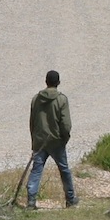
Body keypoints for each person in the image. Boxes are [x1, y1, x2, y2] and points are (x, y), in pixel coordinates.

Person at [27, 69, 77, 209]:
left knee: (36, 170)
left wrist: (34, 140)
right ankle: (70, 199)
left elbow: (32, 122)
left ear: (46, 82)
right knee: (64, 170)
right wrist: (64, 138)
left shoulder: (36, 99)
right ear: (58, 82)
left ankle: (31, 200)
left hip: (39, 141)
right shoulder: (61, 99)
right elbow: (66, 124)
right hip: (56, 141)